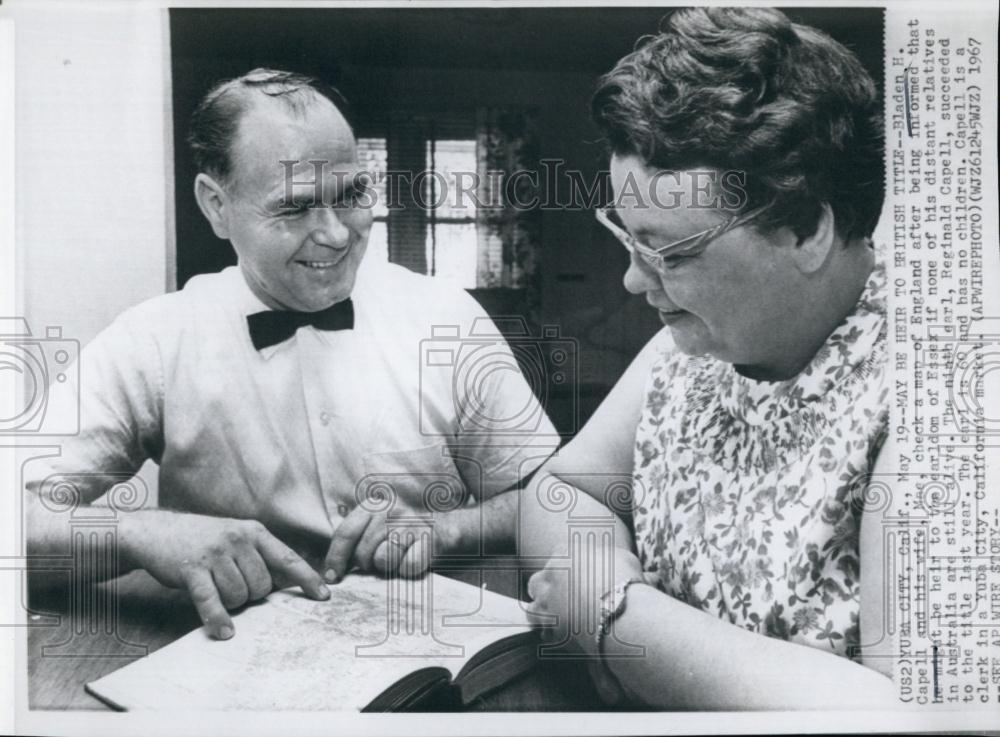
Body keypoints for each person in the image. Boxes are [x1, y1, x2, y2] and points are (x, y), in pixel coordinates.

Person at [25, 68, 557, 640]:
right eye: (294, 208)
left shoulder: (447, 317)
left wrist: (450, 529)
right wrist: (140, 534)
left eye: (352, 195)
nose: (334, 234)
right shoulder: (152, 340)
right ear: (216, 206)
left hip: (430, 656)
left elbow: (554, 499)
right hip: (222, 667)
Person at [520, 8, 898, 709]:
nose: (634, 281)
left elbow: (902, 715)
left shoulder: (935, 387)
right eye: (627, 238)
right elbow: (560, 491)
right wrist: (599, 565)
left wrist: (612, 617)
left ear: (808, 228)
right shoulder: (694, 344)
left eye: (671, 250)